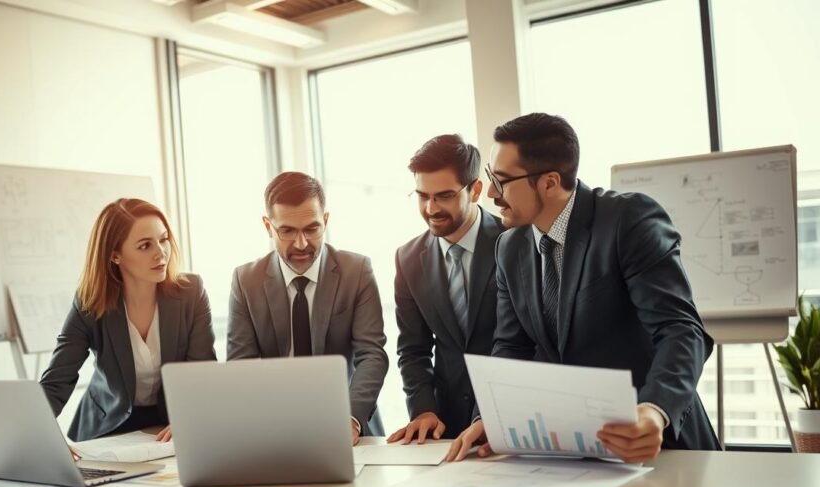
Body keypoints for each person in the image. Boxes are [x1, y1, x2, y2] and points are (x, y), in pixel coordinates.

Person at [445, 113, 720, 464]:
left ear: (549, 182)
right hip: (573, 452)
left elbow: (681, 330)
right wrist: (491, 418)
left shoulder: (628, 220)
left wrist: (654, 410)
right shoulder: (509, 247)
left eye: (502, 182)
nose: (493, 195)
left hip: (656, 444)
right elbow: (511, 346)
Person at [227, 171, 388, 444]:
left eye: (311, 229)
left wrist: (350, 418)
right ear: (268, 226)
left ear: (325, 221)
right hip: (272, 428)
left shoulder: (356, 271)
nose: (301, 244)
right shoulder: (246, 280)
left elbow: (372, 354)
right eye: (287, 231)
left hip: (348, 424)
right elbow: (241, 366)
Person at [41, 198, 216, 444]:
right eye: (145, 246)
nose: (160, 252)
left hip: (169, 426)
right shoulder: (90, 302)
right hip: (106, 428)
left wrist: (189, 417)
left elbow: (202, 373)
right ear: (115, 256)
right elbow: (56, 381)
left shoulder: (191, 292)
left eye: (163, 239)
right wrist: (39, 439)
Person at [388, 135, 504, 443]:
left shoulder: (513, 242)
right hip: (445, 427)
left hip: (509, 415)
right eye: (422, 195)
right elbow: (413, 349)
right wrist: (423, 410)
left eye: (445, 196)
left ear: (475, 190)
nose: (430, 208)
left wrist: (490, 414)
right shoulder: (408, 258)